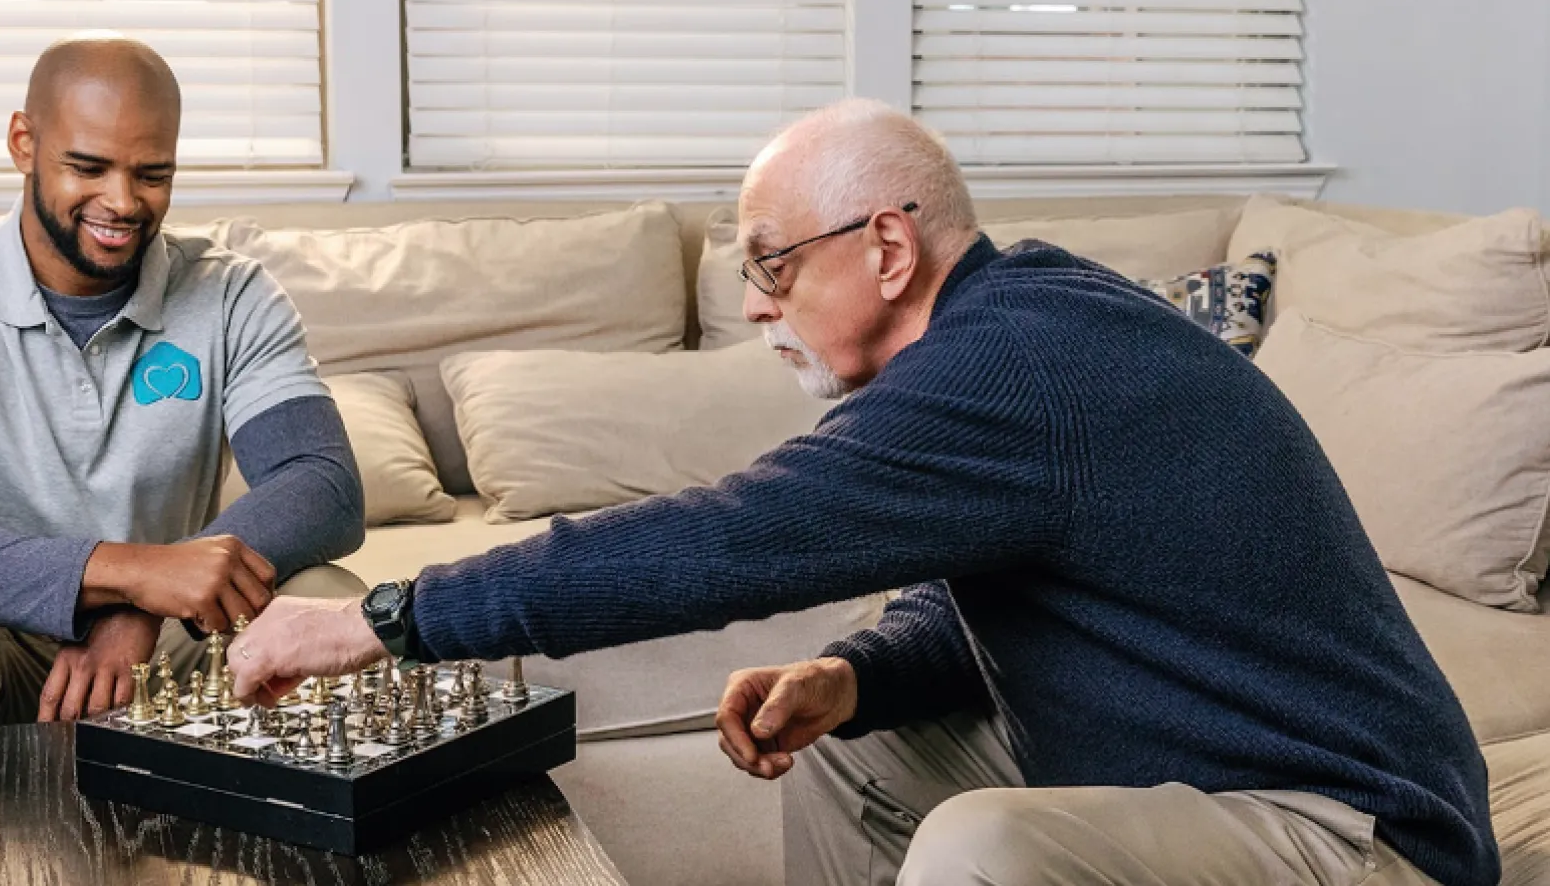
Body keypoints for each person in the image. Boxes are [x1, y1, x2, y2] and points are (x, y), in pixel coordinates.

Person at [224, 98, 1499, 886]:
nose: (758, 305)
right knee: (851, 742)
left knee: (980, 851)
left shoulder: (1010, 365)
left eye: (775, 261)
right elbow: (1019, 591)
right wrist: (858, 676)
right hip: (1194, 766)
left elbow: (732, 537)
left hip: (1353, 833)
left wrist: (377, 621)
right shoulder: (1015, 326)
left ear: (886, 247)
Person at [0, 33, 366, 736]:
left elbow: (324, 484)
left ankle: (293, 845)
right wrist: (130, 573)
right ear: (23, 142)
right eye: (88, 167)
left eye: (152, 173)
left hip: (169, 635)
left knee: (333, 611)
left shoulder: (233, 295)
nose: (123, 201)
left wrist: (150, 601)